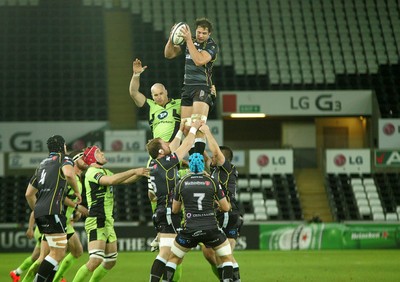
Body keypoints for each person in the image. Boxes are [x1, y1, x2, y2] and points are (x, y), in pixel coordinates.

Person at [72, 145, 150, 282]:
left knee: (110, 261)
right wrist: (133, 170)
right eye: (98, 152)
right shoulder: (91, 172)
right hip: (97, 219)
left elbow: (124, 181)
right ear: (92, 158)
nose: (102, 153)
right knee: (95, 260)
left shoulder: (105, 171)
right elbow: (111, 181)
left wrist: (139, 174)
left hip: (107, 220)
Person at [129, 58, 182, 252]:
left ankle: (180, 227)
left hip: (174, 154)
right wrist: (136, 75)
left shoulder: (178, 104)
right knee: (153, 193)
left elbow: (196, 107)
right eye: (155, 95)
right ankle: (160, 231)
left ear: (166, 92)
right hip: (156, 156)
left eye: (160, 93)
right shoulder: (151, 106)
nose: (158, 97)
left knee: (178, 192)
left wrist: (210, 94)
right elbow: (133, 93)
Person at [162, 153, 233, 282]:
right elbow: (226, 207)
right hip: (211, 229)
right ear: (202, 165)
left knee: (173, 258)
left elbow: (175, 210)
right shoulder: (212, 181)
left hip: (189, 230)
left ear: (190, 164)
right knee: (226, 258)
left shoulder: (181, 182)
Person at [147, 119, 202, 282]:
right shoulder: (165, 163)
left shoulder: (157, 164)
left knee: (168, 252)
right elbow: (185, 147)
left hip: (162, 210)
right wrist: (193, 129)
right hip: (170, 211)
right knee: (170, 252)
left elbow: (151, 195)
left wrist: (179, 130)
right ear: (161, 152)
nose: (168, 143)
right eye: (164, 143)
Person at [25, 135, 82, 282]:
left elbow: (29, 194)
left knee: (55, 253)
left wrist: (37, 209)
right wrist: (76, 191)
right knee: (57, 254)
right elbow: (69, 174)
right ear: (63, 146)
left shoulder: (42, 164)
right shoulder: (65, 158)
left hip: (41, 213)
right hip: (53, 211)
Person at [164, 18, 219, 154]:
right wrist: (172, 39)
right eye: (198, 32)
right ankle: (194, 159)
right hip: (187, 87)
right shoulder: (191, 40)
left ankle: (198, 161)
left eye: (204, 33)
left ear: (209, 34)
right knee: (187, 127)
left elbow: (199, 61)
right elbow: (169, 54)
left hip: (202, 87)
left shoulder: (211, 46)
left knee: (198, 125)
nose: (200, 35)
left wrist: (188, 40)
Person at [200, 124, 242, 281]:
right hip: (230, 213)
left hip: (226, 213)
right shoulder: (216, 170)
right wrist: (192, 138)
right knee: (221, 254)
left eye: (215, 156)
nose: (212, 157)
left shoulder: (227, 167)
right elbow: (206, 157)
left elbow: (215, 153)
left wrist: (207, 132)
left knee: (223, 254)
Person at [53, 150, 89, 282]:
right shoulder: (68, 176)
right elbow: (60, 196)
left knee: (77, 251)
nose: (86, 161)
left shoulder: (78, 178)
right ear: (75, 160)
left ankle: (55, 279)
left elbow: (70, 198)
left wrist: (75, 212)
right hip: (56, 219)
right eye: (83, 158)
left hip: (66, 221)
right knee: (47, 257)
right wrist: (77, 207)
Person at [9, 212, 42, 282]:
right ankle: (59, 278)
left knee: (35, 257)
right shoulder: (48, 202)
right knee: (49, 258)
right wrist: (30, 228)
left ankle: (16, 272)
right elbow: (34, 212)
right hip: (43, 232)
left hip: (43, 231)